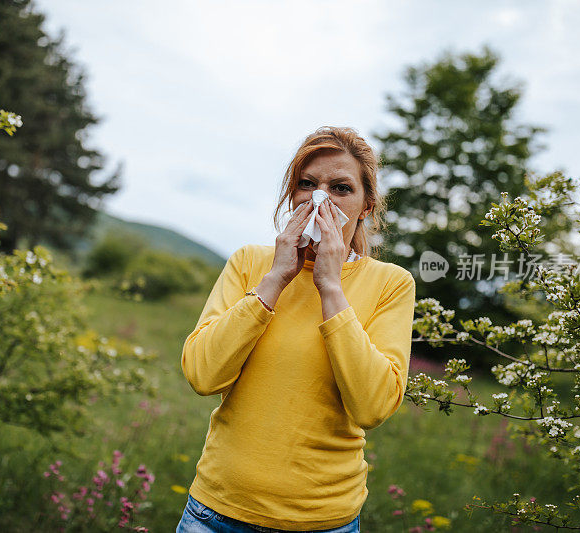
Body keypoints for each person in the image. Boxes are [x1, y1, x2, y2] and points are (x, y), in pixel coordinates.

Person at [176, 126, 416, 532]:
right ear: (292, 194)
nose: (319, 197)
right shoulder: (250, 263)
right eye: (307, 184)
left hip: (323, 520)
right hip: (216, 512)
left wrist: (331, 288)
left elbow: (373, 407)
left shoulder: (391, 283)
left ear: (366, 206)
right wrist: (275, 279)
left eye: (340, 188)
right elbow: (202, 375)